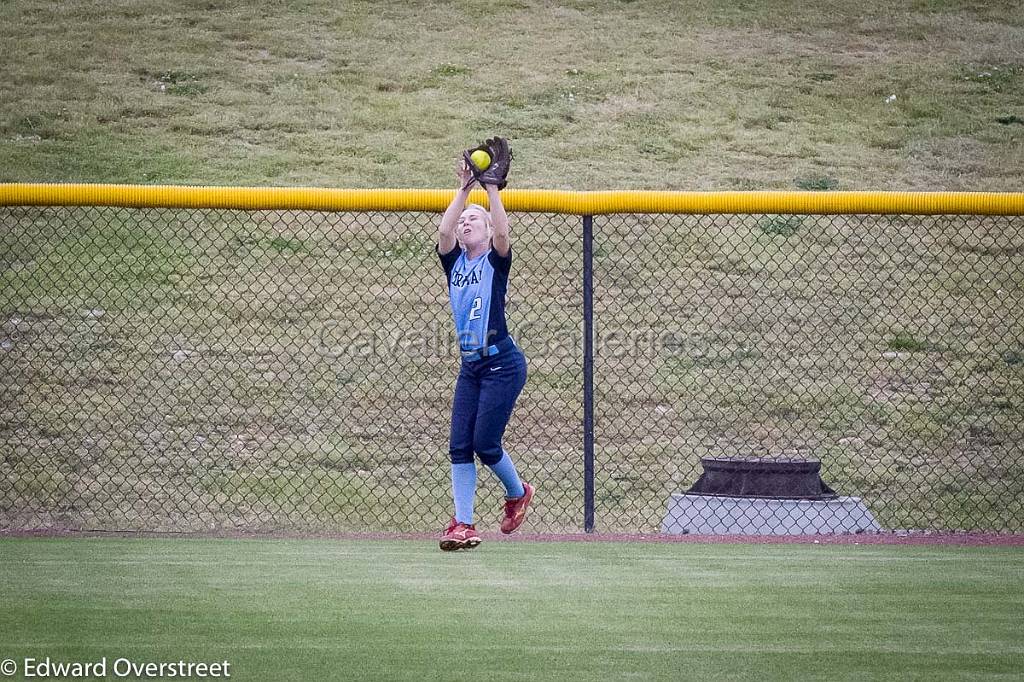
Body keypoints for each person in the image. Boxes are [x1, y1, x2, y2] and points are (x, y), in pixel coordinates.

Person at [434, 157, 534, 551]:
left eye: (473, 219)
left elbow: (504, 235)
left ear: (488, 229)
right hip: (471, 367)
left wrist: (492, 189)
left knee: (485, 444)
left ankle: (518, 492)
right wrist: (464, 190)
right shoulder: (454, 262)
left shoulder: (495, 259)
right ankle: (463, 523)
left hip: (503, 365)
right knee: (460, 444)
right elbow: (443, 230)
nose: (465, 223)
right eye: (464, 221)